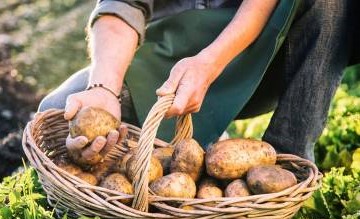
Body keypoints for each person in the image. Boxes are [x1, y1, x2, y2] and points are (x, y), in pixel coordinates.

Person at [38, 0, 358, 163]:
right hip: (167, 65)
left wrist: (209, 62)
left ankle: (290, 159)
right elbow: (121, 8)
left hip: (263, 52)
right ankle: (202, 139)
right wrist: (103, 89)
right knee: (54, 112)